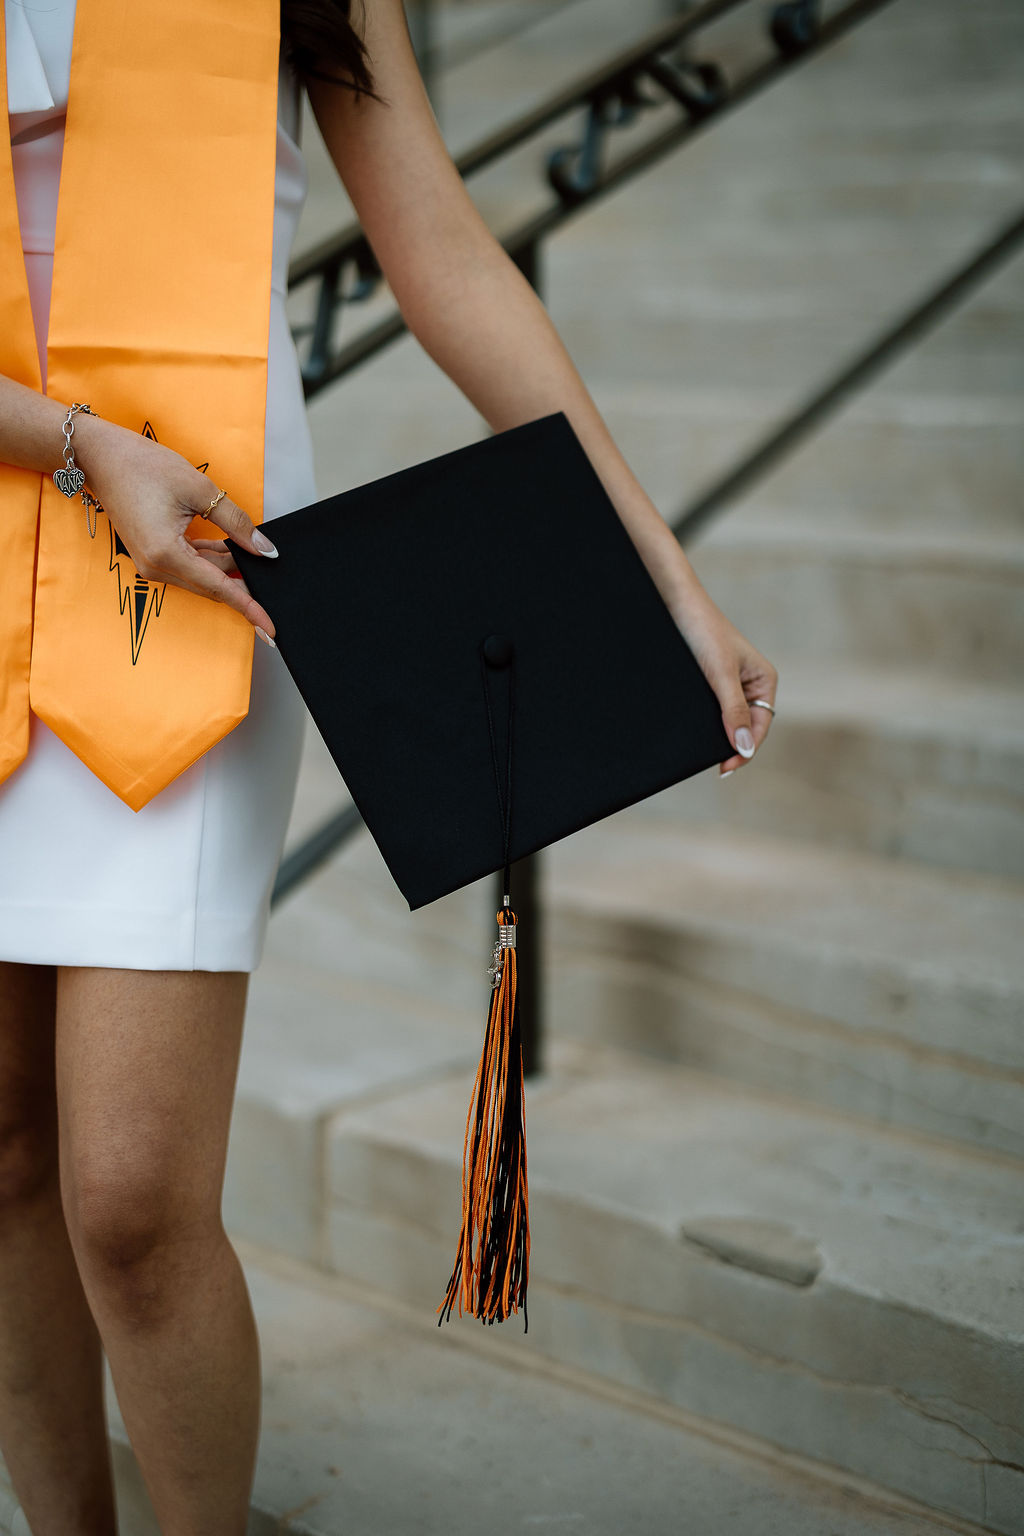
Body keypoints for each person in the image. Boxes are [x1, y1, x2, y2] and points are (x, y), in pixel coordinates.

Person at [0, 0, 777, 1530]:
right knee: (5, 1148)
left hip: (201, 571)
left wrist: (659, 569)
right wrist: (75, 442)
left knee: (133, 1200)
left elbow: (441, 250)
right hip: (44, 475)